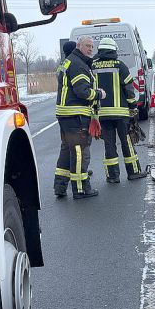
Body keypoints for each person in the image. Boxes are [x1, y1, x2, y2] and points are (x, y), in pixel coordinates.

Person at [54, 36, 105, 199]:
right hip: (75, 115)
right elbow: (82, 91)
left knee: (66, 150)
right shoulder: (78, 64)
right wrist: (99, 94)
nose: (90, 49)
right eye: (87, 46)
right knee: (80, 152)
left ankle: (60, 186)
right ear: (79, 46)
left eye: (92, 46)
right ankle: (81, 188)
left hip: (65, 114)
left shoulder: (68, 61)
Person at [91, 38, 145, 183]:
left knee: (109, 145)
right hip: (121, 114)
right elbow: (128, 89)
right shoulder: (120, 66)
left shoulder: (93, 66)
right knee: (127, 142)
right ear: (114, 50)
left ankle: (112, 176)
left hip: (102, 114)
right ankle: (133, 172)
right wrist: (133, 106)